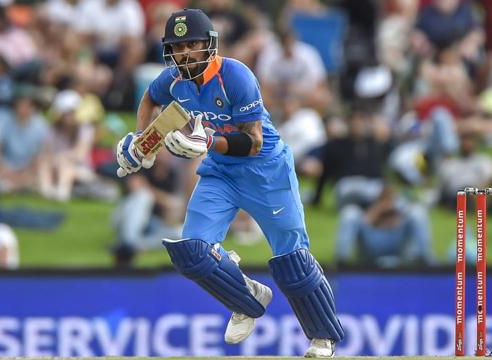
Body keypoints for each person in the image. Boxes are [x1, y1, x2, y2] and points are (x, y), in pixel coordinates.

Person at [115, 8, 344, 357]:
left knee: (291, 261)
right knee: (192, 252)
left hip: (265, 171)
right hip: (221, 172)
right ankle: (248, 298)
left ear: (209, 45)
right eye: (178, 47)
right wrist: (140, 140)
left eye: (192, 44)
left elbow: (252, 143)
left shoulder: (236, 76)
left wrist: (207, 142)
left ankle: (322, 338)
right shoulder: (173, 79)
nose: (185, 53)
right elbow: (150, 97)